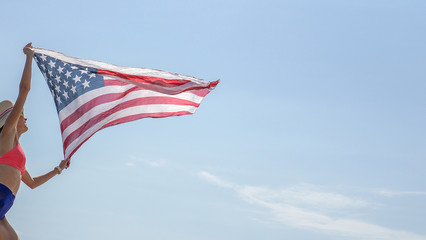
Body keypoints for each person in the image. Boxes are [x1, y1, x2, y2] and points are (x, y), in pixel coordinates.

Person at [0, 43, 70, 240]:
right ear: (10, 119)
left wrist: (58, 169)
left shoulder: (16, 152)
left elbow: (32, 183)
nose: (25, 117)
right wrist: (29, 57)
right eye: (21, 114)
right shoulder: (6, 136)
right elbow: (24, 90)